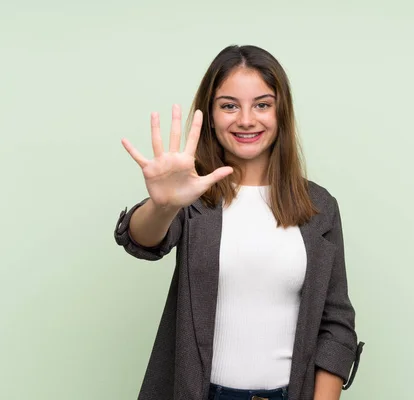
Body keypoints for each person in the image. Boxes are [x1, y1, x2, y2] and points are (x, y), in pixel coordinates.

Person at [114, 44, 364, 400]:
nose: (246, 119)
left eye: (262, 104)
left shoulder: (318, 207)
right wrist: (163, 204)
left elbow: (336, 324)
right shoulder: (192, 193)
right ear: (211, 115)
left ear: (281, 113)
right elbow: (144, 241)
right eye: (229, 105)